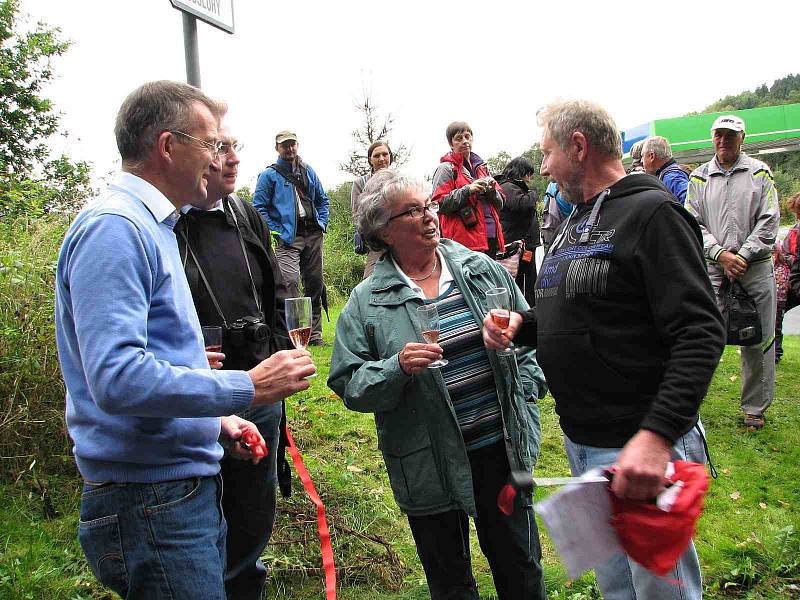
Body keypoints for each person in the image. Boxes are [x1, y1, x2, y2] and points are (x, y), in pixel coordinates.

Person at [55, 81, 316, 600]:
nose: (221, 158)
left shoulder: (154, 226)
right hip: (151, 499)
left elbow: (153, 359)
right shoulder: (115, 229)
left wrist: (214, 420)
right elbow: (118, 379)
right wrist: (245, 387)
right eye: (212, 144)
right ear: (168, 147)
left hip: (171, 490)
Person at [484, 99, 725, 600]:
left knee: (663, 590)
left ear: (578, 146)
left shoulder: (652, 213)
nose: (543, 166)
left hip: (637, 446)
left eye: (548, 152)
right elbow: (585, 311)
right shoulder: (575, 221)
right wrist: (524, 325)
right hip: (584, 441)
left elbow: (701, 330)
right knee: (616, 585)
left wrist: (657, 438)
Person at [328, 169, 547, 600]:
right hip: (427, 460)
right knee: (450, 583)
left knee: (520, 568)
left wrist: (527, 391)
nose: (429, 216)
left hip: (499, 449)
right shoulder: (366, 301)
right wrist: (396, 368)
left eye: (427, 204)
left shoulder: (479, 268)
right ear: (384, 232)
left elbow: (526, 335)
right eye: (412, 211)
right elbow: (348, 382)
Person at [175, 124, 292, 600]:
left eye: (233, 147)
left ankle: (245, 584)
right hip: (194, 391)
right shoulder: (166, 223)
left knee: (252, 502)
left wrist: (281, 349)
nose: (232, 159)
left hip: (258, 380)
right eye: (219, 148)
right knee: (201, 501)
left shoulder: (244, 213)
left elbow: (274, 289)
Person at [686, 115, 780, 430]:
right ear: (712, 138)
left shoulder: (760, 173)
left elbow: (770, 220)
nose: (724, 140)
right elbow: (692, 223)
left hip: (754, 268)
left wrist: (743, 254)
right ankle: (687, 403)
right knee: (702, 334)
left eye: (730, 135)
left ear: (742, 138)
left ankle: (755, 408)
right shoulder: (699, 178)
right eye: (719, 135)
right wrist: (721, 254)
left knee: (759, 339)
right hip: (714, 268)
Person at [253, 130, 330, 345]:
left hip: (313, 233)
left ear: (298, 145)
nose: (290, 148)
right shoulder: (269, 175)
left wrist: (322, 222)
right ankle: (293, 335)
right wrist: (276, 231)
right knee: (289, 283)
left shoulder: (308, 170)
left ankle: (315, 335)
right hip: (288, 238)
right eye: (285, 145)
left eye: (293, 144)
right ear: (277, 148)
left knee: (315, 283)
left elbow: (323, 200)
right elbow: (259, 207)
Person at [432, 121, 506, 258]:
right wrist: (467, 190)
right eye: (459, 138)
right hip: (464, 244)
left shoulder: (482, 168)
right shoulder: (446, 169)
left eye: (467, 136)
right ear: (451, 143)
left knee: (489, 279)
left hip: (491, 237)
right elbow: (438, 204)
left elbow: (501, 203)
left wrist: (491, 191)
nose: (465, 141)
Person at [496, 156, 539, 304]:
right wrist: (533, 193)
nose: (529, 178)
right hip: (516, 244)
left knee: (529, 279)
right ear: (521, 172)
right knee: (519, 279)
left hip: (525, 244)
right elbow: (523, 204)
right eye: (528, 173)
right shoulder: (508, 186)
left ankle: (529, 308)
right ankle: (523, 310)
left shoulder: (513, 187)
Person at [351, 140, 394, 278]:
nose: (381, 159)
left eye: (385, 154)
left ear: (390, 156)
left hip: (401, 237)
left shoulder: (400, 179)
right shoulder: (361, 183)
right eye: (376, 156)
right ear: (370, 160)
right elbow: (357, 216)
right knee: (370, 282)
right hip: (376, 241)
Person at [774, 192, 800, 363]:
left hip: (793, 279)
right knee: (775, 311)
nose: (797, 216)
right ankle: (775, 351)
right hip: (791, 279)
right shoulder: (795, 230)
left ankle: (775, 351)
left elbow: (793, 257)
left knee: (775, 311)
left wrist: (783, 255)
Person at [641, 136, 690, 204]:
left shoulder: (672, 178)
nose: (641, 161)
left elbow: (689, 201)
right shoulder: (671, 175)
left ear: (652, 156)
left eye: (642, 156)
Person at [540, 179, 572, 252]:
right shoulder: (571, 188)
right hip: (569, 232)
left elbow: (546, 206)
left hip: (551, 229)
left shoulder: (550, 186)